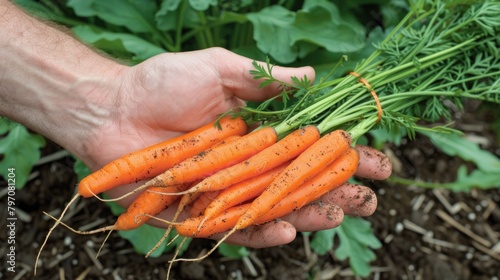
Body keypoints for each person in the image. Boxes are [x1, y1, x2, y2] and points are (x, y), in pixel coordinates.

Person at [0, 0, 391, 248]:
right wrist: (111, 105)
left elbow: (264, 180)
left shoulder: (322, 143)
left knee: (250, 193)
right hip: (263, 137)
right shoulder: (240, 127)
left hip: (314, 137)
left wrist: (213, 195)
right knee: (216, 183)